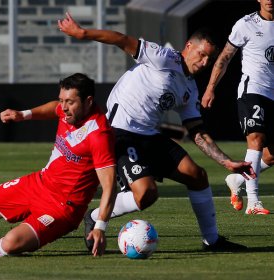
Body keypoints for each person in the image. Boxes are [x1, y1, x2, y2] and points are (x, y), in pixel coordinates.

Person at [58, 13, 256, 251]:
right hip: (119, 132)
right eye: (201, 54)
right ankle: (95, 216)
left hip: (148, 135)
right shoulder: (163, 57)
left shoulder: (190, 88)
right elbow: (122, 39)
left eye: (210, 59)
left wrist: (226, 162)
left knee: (197, 176)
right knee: (146, 194)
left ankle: (212, 241)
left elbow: (197, 131)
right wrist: (83, 33)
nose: (204, 63)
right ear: (188, 47)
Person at [0, 73, 117, 257]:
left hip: (62, 208)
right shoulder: (68, 111)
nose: (64, 107)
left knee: (10, 244)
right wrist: (23, 114)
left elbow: (109, 187)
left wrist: (100, 227)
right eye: (62, 100)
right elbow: (54, 109)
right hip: (39, 183)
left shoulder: (99, 135)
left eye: (70, 102)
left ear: (88, 101)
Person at [202, 0, 273, 215]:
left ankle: (236, 178)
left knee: (270, 156)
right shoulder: (246, 24)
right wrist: (210, 88)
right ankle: (253, 202)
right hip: (253, 90)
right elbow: (224, 57)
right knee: (256, 139)